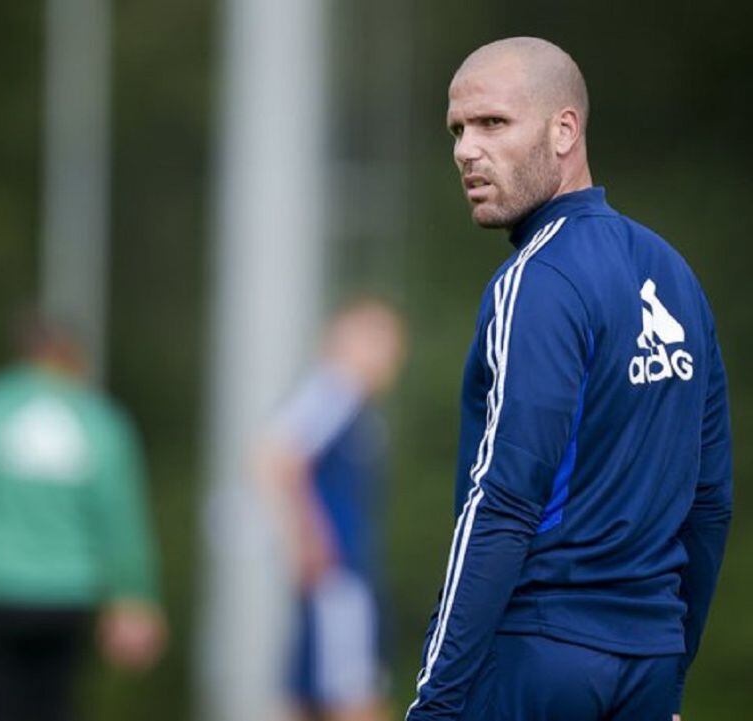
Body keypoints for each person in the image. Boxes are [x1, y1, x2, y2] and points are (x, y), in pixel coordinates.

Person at [406, 37, 732, 721]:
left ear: (564, 130)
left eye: (493, 123)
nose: (466, 149)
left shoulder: (536, 280)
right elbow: (709, 503)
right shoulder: (673, 273)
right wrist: (669, 667)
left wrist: (436, 702)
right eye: (458, 129)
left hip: (537, 655)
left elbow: (503, 503)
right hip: (648, 661)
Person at [0, 305, 166, 721]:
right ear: (73, 355)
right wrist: (134, 596)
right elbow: (121, 521)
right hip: (71, 595)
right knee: (56, 709)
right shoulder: (101, 421)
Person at [256, 300, 408, 721]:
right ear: (345, 339)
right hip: (340, 577)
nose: (395, 353)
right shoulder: (335, 390)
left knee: (308, 701)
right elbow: (272, 457)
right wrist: (305, 538)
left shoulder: (350, 401)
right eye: (382, 339)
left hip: (338, 578)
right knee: (356, 698)